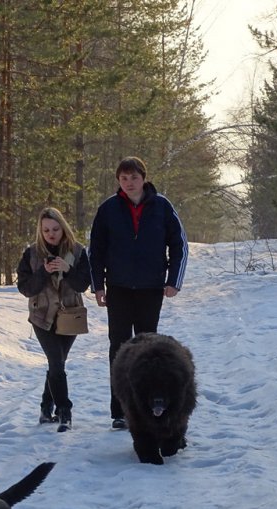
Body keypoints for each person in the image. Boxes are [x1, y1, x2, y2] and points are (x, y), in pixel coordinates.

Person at [88, 156, 188, 429]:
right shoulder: (108, 209)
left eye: (134, 177)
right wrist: (98, 285)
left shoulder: (162, 206)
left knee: (148, 351)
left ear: (143, 178)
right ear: (118, 181)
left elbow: (179, 244)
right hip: (118, 288)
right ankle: (120, 411)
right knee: (118, 349)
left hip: (151, 288)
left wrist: (173, 281)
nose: (129, 183)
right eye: (123, 178)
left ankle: (147, 406)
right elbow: (95, 250)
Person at [17, 207, 91, 432]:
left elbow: (83, 284)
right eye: (46, 230)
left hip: (70, 317)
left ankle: (45, 407)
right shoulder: (31, 254)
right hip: (42, 318)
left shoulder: (77, 252)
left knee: (56, 364)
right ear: (40, 230)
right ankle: (64, 411)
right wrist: (43, 272)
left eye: (55, 229)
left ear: (63, 228)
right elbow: (25, 288)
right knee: (56, 364)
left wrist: (67, 270)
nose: (51, 234)